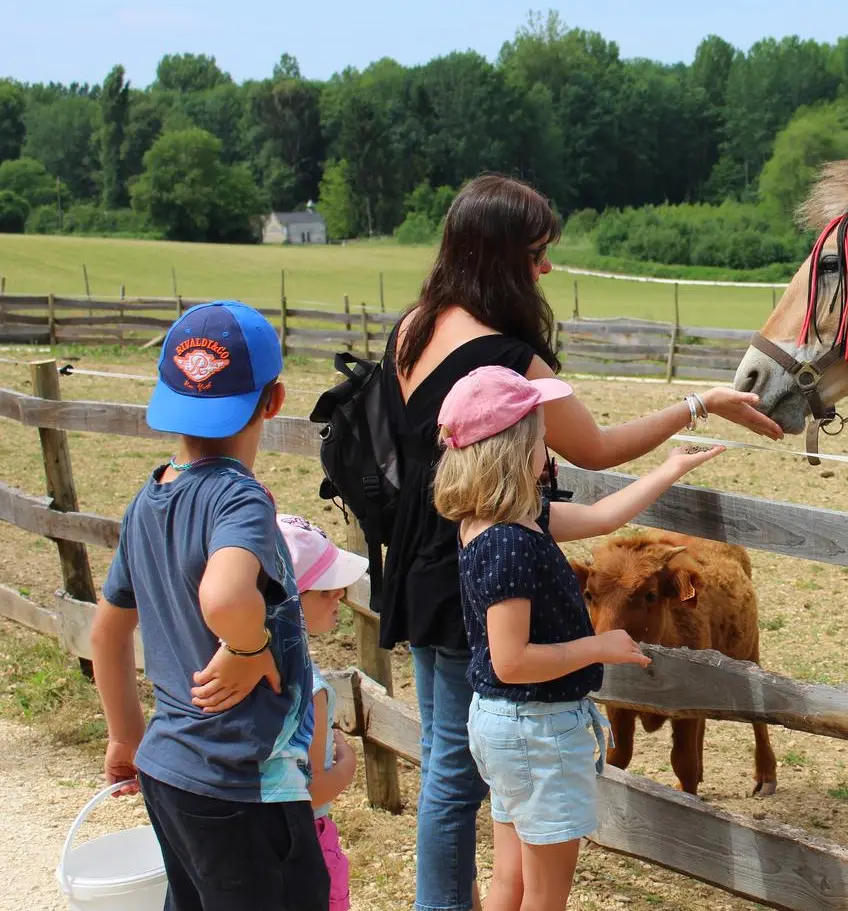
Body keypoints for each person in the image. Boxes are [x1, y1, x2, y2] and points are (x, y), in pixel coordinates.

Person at [375, 172, 781, 911]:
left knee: (446, 768)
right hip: (491, 587)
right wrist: (696, 404)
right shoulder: (502, 355)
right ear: (500, 255)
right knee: (479, 779)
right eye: (536, 253)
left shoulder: (410, 329)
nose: (546, 269)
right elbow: (596, 447)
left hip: (424, 567)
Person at [432, 365, 724, 911]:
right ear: (515, 451)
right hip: (536, 729)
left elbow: (600, 515)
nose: (551, 449)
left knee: (511, 882)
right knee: (546, 897)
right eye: (542, 438)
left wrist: (668, 470)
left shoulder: (502, 520)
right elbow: (511, 660)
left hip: (505, 725)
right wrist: (600, 647)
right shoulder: (511, 544)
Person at [88, 300, 328, 911]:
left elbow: (108, 635)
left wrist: (124, 737)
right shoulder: (240, 500)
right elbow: (223, 595)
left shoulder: (148, 500)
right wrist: (250, 647)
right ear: (273, 401)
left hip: (168, 770)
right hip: (241, 782)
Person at [277, 513, 370, 911]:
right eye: (323, 590)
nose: (340, 595)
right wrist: (348, 763)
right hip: (304, 838)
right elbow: (311, 791)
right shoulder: (310, 688)